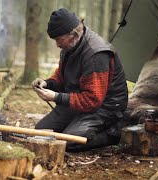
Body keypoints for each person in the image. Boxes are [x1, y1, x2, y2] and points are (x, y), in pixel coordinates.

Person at [32, 8, 128, 151]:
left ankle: (113, 133)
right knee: (40, 132)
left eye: (59, 39)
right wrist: (47, 83)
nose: (57, 44)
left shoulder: (96, 54)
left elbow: (93, 100)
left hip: (105, 108)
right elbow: (61, 76)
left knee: (69, 142)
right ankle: (75, 125)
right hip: (77, 100)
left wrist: (56, 97)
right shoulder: (70, 46)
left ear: (74, 34)